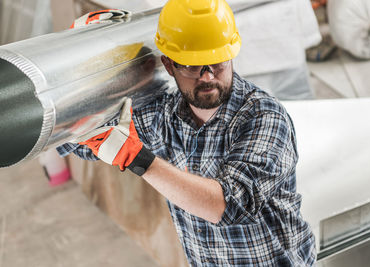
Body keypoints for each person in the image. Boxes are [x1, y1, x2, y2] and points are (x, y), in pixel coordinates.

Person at [58, 1, 316, 265]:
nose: (207, 77)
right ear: (169, 65)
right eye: (191, 66)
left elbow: (229, 205)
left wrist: (137, 158)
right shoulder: (163, 117)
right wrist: (87, 54)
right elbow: (71, 140)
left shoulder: (263, 116)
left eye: (217, 62)